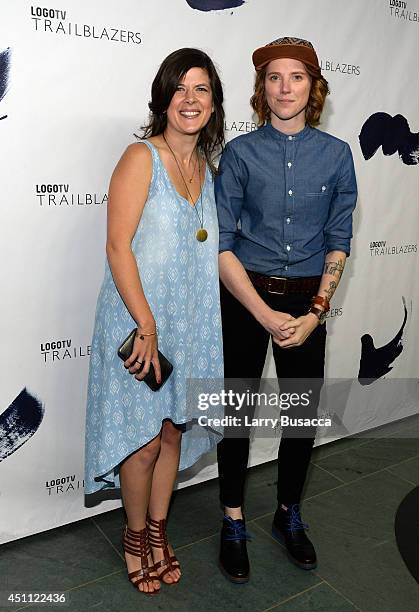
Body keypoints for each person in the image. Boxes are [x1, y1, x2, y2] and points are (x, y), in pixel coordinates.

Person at [215, 36, 357, 583]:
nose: (284, 88)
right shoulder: (242, 154)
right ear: (262, 89)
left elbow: (339, 240)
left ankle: (287, 515)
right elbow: (222, 242)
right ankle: (232, 521)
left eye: (296, 77)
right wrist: (261, 313)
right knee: (238, 415)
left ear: (313, 86)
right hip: (246, 294)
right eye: (274, 78)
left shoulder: (337, 154)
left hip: (307, 303)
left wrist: (316, 310)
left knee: (300, 420)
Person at [84, 48, 225, 595]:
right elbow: (118, 246)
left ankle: (160, 531)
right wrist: (146, 322)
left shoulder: (206, 170)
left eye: (202, 90)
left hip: (189, 327)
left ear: (214, 104)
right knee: (142, 443)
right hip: (141, 325)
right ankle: (136, 536)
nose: (190, 100)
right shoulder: (141, 157)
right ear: (164, 97)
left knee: (171, 433)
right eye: (180, 88)